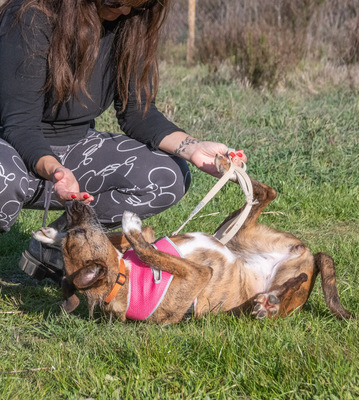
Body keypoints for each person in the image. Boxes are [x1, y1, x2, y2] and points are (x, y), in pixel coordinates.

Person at [0, 0, 246, 283]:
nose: (127, 12)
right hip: (12, 147)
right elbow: (20, 125)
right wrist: (56, 170)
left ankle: (56, 243)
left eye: (139, 5)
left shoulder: (129, 24)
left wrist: (193, 148)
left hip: (75, 149)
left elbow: (137, 113)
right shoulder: (29, 17)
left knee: (168, 176)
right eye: (118, 3)